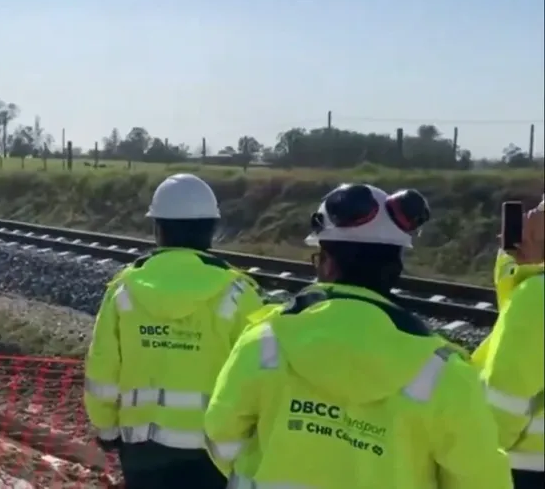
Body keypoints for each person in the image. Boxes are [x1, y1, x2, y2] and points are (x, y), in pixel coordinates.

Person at [203, 183, 512, 489]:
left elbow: (221, 435)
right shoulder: (444, 374)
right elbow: (482, 479)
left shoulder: (264, 343)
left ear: (326, 262)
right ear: (396, 267)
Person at [83, 173, 266, 489]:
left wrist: (106, 430)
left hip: (142, 448)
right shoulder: (239, 293)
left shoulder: (124, 289)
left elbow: (103, 370)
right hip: (214, 453)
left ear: (158, 230)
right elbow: (258, 378)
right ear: (212, 230)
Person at [472, 196, 544, 488]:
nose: (527, 219)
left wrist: (470, 462)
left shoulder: (537, 297)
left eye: (538, 213)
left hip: (526, 469)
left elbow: (504, 402)